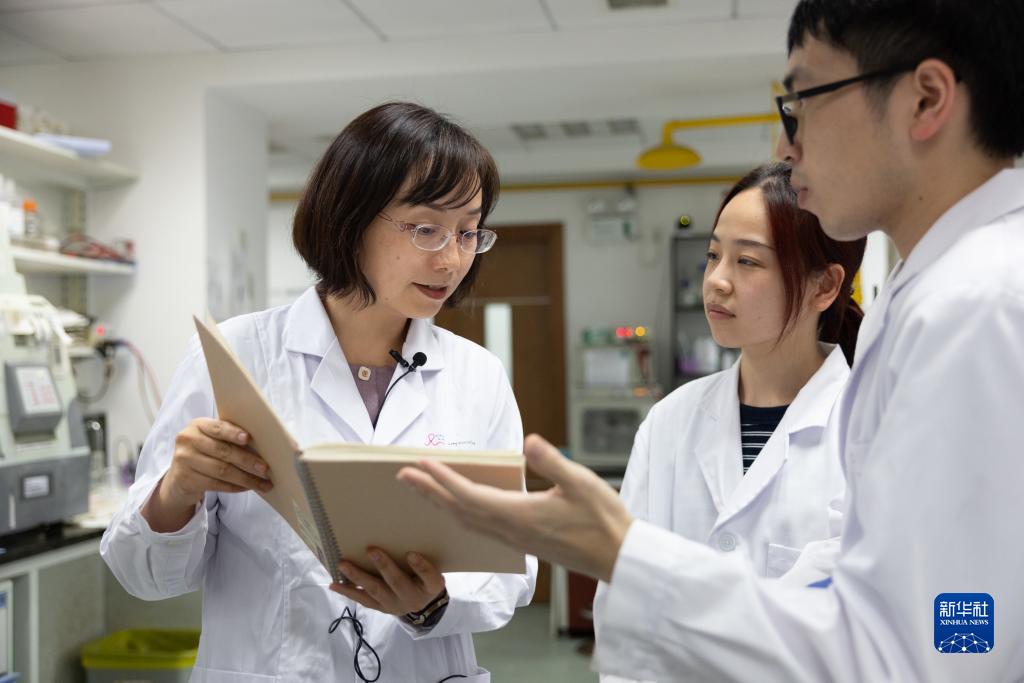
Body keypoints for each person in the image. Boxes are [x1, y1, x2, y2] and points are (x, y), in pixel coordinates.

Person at [398, 1, 1024, 680]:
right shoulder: (933, 298)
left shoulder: (978, 307)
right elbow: (880, 603)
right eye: (714, 256)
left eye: (803, 101)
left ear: (925, 99)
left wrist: (624, 552)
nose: (786, 144)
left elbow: (949, 643)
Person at [102, 102, 537, 683]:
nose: (453, 258)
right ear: (349, 218)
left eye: (468, 232)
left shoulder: (477, 375)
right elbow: (143, 575)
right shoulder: (237, 355)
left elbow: (512, 566)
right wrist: (177, 490)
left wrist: (431, 602)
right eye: (427, 229)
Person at [593, 161, 865, 678]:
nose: (717, 281)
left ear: (824, 286)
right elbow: (622, 601)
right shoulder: (670, 421)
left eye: (748, 261)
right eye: (714, 255)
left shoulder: (868, 426)